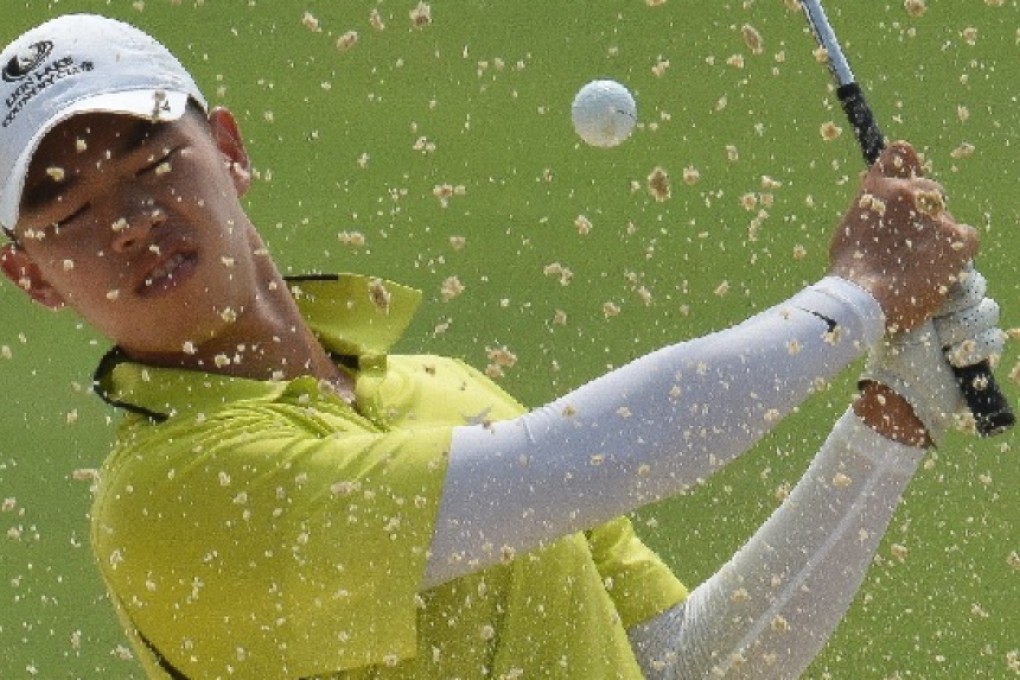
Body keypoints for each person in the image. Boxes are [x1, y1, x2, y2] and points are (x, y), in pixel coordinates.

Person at [0, 14, 1006, 680]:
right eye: (70, 214)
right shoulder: (170, 502)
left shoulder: (441, 395)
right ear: (34, 277)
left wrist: (893, 414)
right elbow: (607, 452)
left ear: (228, 147)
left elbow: (687, 664)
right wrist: (860, 296)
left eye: (147, 162)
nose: (127, 222)